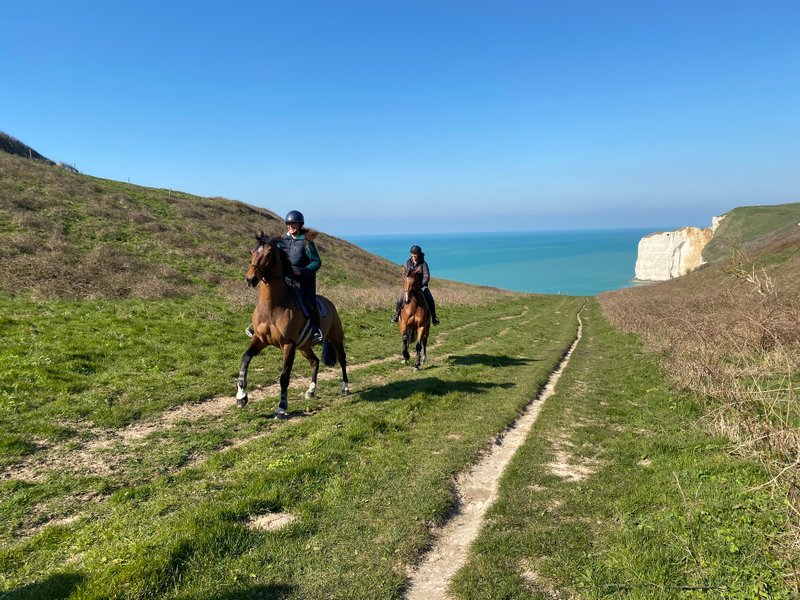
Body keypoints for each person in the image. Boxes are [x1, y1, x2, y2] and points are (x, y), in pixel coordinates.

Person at [246, 210, 324, 343]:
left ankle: (316, 330)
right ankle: (258, 327)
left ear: (300, 225)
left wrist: (302, 271)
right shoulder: (282, 241)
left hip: (303, 281)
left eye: (294, 223)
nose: (291, 226)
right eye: (289, 223)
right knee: (270, 299)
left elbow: (317, 262)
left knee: (309, 302)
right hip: (286, 279)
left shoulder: (306, 242)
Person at [391, 244, 440, 325]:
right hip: (409, 286)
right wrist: (407, 281)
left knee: (429, 298)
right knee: (400, 297)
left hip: (421, 286)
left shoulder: (423, 264)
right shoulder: (408, 262)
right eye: (412, 253)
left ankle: (434, 317)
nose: (413, 255)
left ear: (419, 254)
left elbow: (426, 276)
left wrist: (420, 285)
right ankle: (396, 315)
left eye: (415, 253)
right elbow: (404, 274)